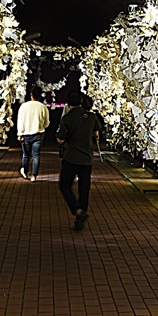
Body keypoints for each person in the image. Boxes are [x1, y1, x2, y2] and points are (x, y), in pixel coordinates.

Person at [57, 94, 103, 230]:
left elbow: (61, 139)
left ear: (68, 104)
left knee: (65, 186)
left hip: (71, 157)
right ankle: (81, 216)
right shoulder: (91, 117)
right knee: (84, 189)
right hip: (86, 158)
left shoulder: (67, 118)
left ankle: (77, 210)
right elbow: (97, 133)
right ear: (81, 102)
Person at [16, 89, 50, 182]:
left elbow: (20, 121)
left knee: (26, 155)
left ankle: (25, 172)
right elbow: (47, 123)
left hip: (26, 134)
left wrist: (20, 133)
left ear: (31, 95)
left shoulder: (24, 106)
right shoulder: (43, 107)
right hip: (38, 134)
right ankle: (34, 175)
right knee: (36, 155)